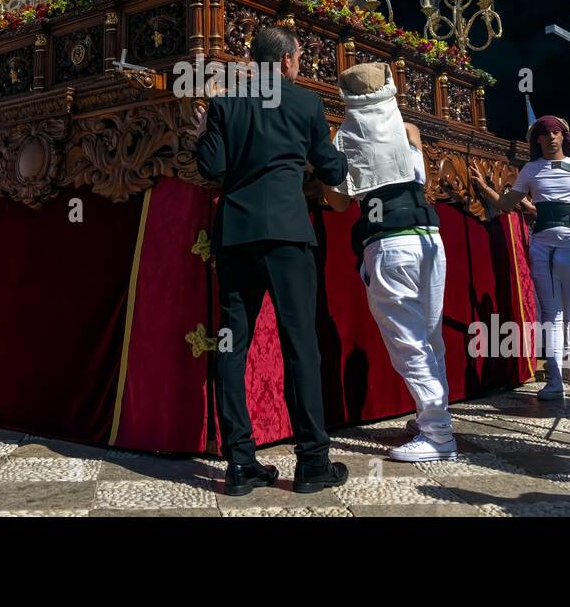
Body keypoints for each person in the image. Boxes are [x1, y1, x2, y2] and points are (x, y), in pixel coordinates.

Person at [194, 26, 349, 495]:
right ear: (284, 61)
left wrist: (203, 133)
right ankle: (312, 462)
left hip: (236, 236)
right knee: (300, 344)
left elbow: (212, 170)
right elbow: (333, 170)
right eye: (299, 57)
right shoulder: (305, 104)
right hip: (287, 234)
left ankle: (240, 464)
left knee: (231, 346)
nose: (299, 64)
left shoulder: (225, 104)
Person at [323, 62, 457, 462]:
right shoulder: (409, 129)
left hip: (389, 244)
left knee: (408, 342)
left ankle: (438, 434)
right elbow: (423, 181)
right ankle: (435, 418)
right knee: (431, 336)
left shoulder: (343, 138)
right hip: (430, 239)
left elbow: (338, 201)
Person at [472, 116, 570, 401]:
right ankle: (555, 379)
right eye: (544, 134)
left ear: (564, 136)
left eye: (555, 132)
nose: (550, 138)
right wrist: (484, 189)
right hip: (542, 245)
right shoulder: (531, 169)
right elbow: (508, 203)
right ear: (538, 140)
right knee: (551, 314)